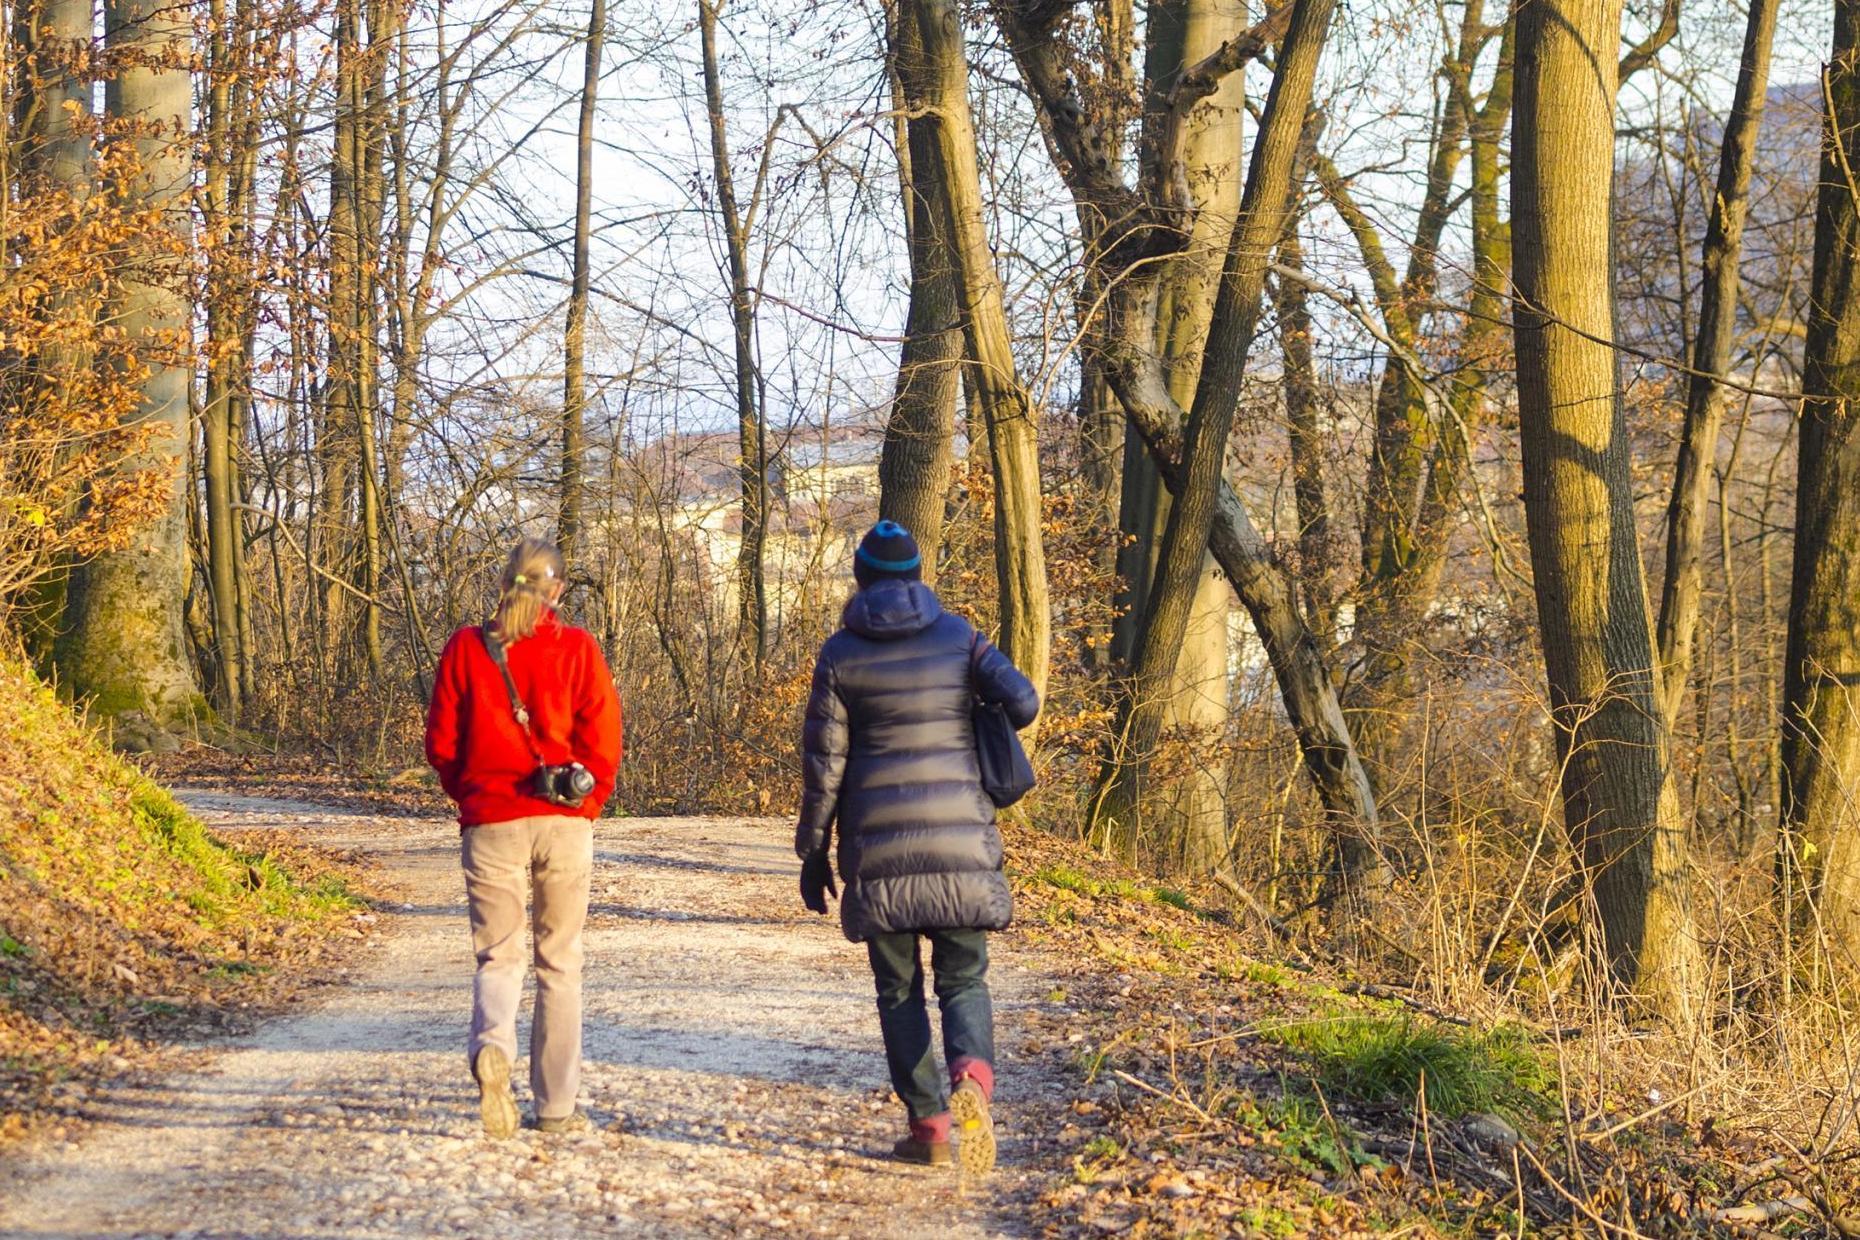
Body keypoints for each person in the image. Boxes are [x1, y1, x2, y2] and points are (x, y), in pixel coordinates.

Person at [795, 519, 1040, 1175]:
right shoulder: (961, 637)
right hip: (961, 845)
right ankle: (973, 1084)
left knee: (898, 992)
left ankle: (929, 1125)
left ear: (862, 577)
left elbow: (824, 766)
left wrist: (812, 852)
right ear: (916, 577)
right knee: (963, 980)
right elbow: (1023, 701)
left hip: (880, 856)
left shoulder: (841, 654)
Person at [424, 537, 622, 1139]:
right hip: (563, 823)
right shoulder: (577, 647)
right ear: (556, 591)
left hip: (492, 822)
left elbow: (441, 743)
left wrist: (474, 796)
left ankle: (493, 1048)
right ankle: (557, 1108)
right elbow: (604, 740)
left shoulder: (465, 647)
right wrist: (588, 802)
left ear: (504, 583)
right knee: (559, 963)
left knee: (498, 956)